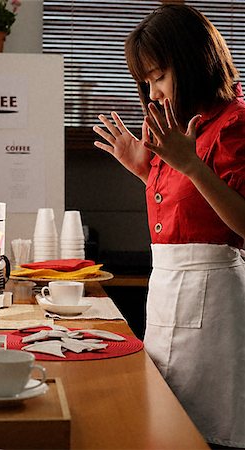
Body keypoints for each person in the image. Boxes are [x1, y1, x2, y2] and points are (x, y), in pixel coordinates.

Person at [93, 4, 245, 449]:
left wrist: (192, 167)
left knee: (204, 433)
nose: (153, 92)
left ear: (194, 59)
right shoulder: (177, 125)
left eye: (159, 76)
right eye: (146, 81)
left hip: (214, 301)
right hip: (168, 294)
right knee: (165, 423)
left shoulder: (234, 123)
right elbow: (190, 209)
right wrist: (146, 171)